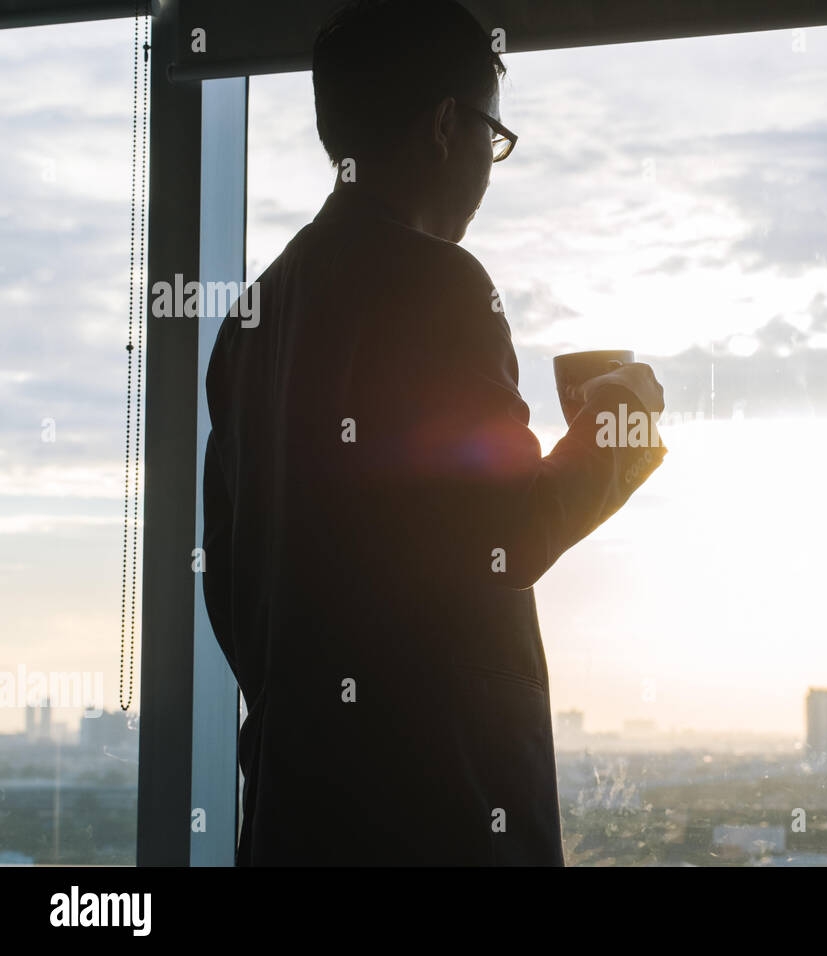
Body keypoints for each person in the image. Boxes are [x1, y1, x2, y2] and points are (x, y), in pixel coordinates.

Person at [201, 0, 666, 865]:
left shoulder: (247, 324)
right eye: (494, 137)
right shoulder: (440, 284)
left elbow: (228, 587)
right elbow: (505, 535)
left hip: (293, 813)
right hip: (441, 810)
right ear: (447, 125)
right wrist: (621, 424)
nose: (491, 170)